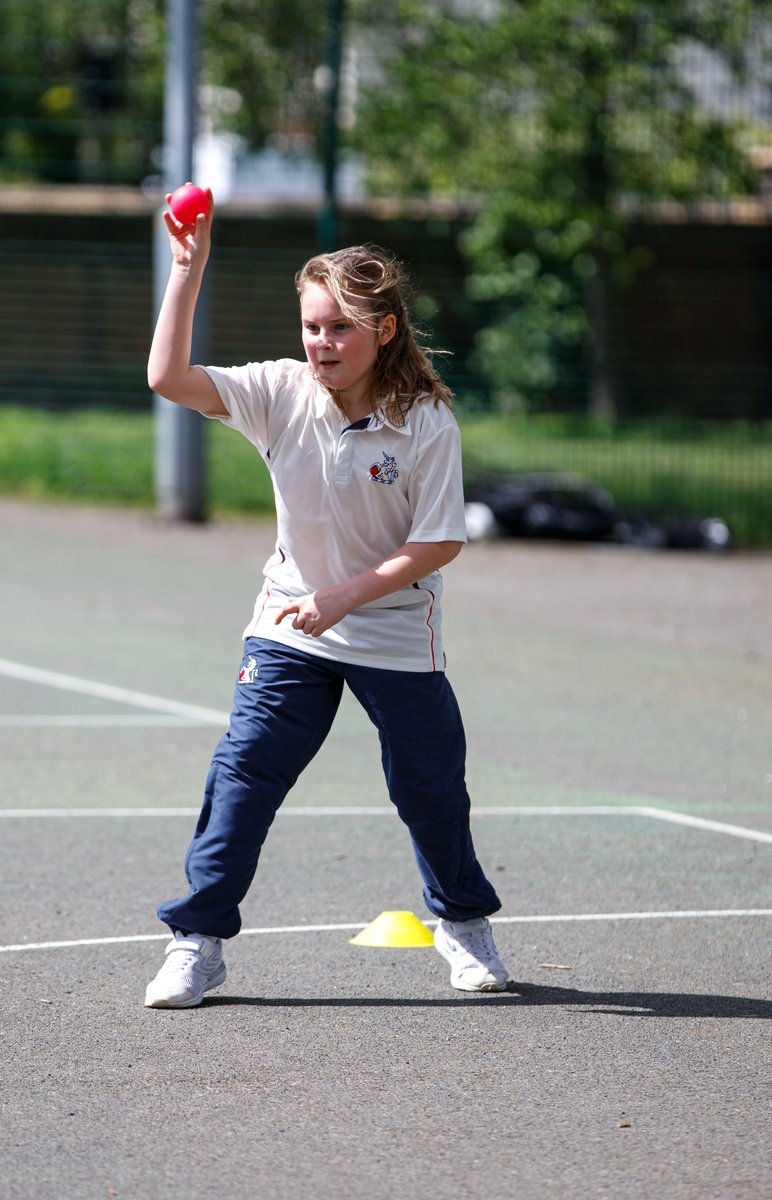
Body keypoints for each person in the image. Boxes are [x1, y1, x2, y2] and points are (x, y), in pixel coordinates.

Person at [144, 189, 508, 1008]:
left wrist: (348, 594)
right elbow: (167, 376)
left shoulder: (425, 420)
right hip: (291, 625)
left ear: (383, 330)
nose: (322, 342)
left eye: (340, 326)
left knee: (431, 790)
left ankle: (460, 921)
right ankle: (196, 941)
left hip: (391, 630)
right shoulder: (279, 391)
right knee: (243, 778)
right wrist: (187, 271)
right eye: (313, 325)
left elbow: (439, 541)